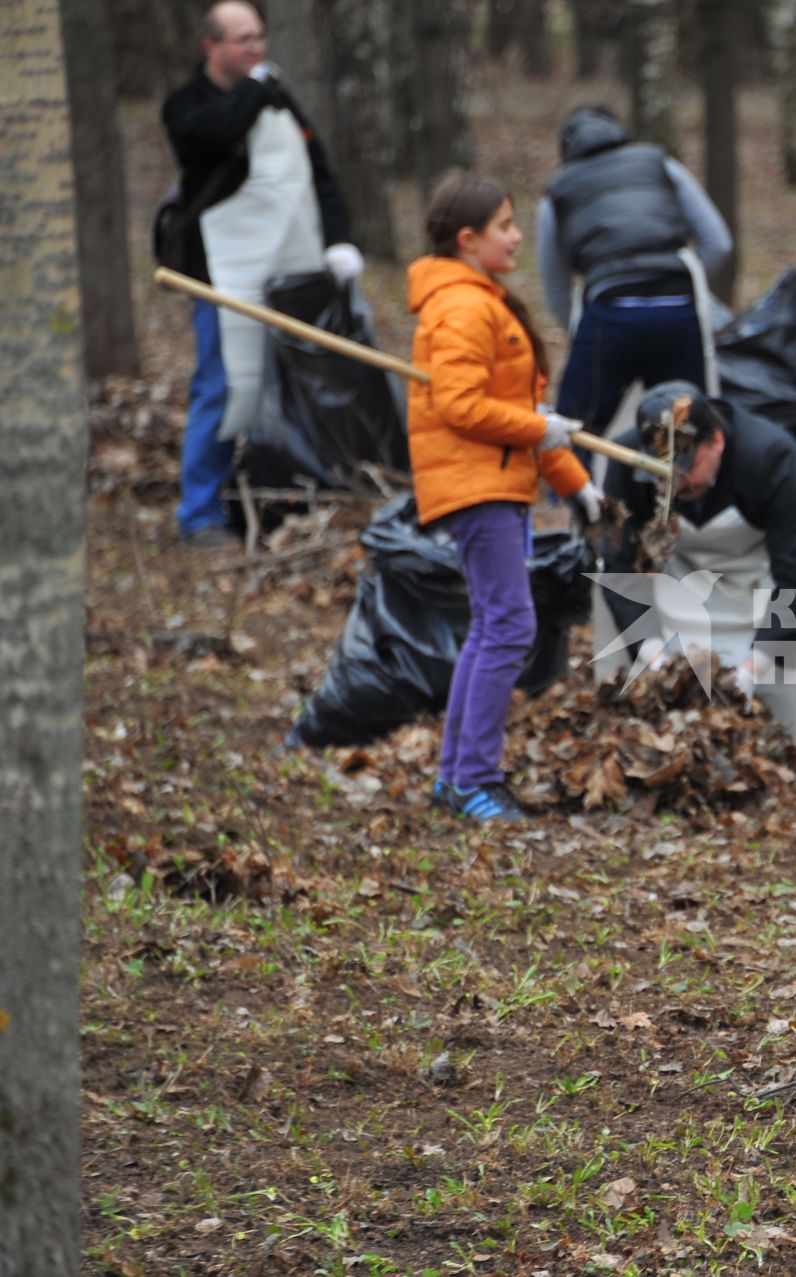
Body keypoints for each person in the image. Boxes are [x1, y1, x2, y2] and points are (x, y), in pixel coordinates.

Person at [407, 174, 603, 824]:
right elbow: (461, 406)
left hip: (494, 481)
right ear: (468, 239)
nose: (518, 236)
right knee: (509, 625)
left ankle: (456, 777)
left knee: (495, 626)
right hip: (476, 485)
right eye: (505, 226)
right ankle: (473, 780)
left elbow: (517, 413)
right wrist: (539, 427)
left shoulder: (481, 300)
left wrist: (578, 485)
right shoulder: (462, 307)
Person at [162, 0, 361, 546]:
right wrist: (257, 89)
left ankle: (298, 490)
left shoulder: (279, 99)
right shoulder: (188, 104)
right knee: (225, 387)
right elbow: (211, 136)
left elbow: (317, 173)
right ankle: (199, 514)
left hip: (293, 271)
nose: (255, 49)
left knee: (306, 380)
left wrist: (339, 240)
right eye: (242, 40)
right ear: (212, 45)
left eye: (259, 38)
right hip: (221, 275)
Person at [595, 382, 796, 748]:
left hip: (779, 562)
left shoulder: (769, 455)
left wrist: (755, 666)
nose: (676, 484)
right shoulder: (624, 461)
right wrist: (652, 654)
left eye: (687, 469)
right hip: (688, 565)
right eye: (663, 475)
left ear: (717, 441)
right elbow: (619, 565)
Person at [537, 105, 734, 435]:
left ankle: (573, 488)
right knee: (685, 432)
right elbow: (719, 242)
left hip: (608, 314)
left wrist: (584, 332)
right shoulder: (660, 164)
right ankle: (685, 487)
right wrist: (685, 287)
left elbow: (556, 289)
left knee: (573, 433)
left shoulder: (558, 192)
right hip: (678, 312)